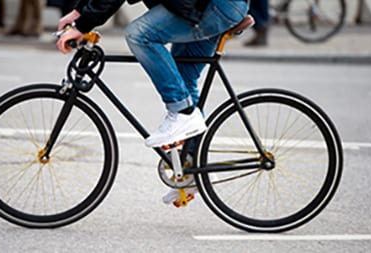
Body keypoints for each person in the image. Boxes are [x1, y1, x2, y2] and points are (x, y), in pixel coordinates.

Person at [56, 0, 249, 204]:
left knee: (139, 35)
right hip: (211, 4)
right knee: (184, 79)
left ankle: (182, 112)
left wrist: (83, 25)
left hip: (215, 6)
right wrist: (78, 12)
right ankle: (192, 168)